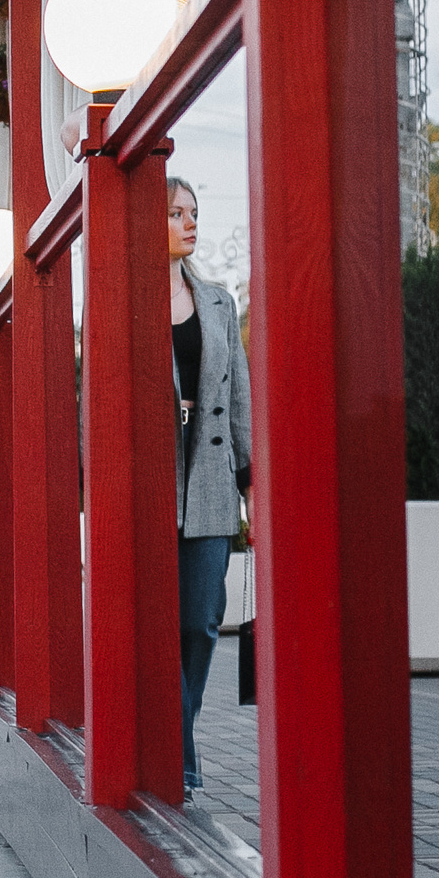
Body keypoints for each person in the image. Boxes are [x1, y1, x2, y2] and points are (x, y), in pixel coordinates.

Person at [168, 178, 252, 795]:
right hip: (152, 478)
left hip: (211, 475)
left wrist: (253, 485)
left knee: (200, 621)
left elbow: (241, 398)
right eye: (175, 213)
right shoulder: (122, 294)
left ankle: (178, 739)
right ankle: (180, 760)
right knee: (154, 624)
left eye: (194, 212)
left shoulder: (219, 302)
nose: (190, 223)